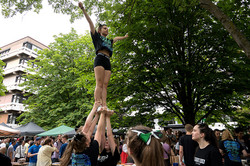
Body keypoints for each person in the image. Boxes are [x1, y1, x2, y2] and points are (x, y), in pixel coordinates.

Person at [79, 2, 128, 110]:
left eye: (107, 28)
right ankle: (97, 103)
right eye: (105, 28)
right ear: (100, 30)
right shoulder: (96, 36)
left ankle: (104, 105)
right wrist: (83, 9)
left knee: (105, 85)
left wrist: (124, 37)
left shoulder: (109, 41)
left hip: (107, 61)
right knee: (99, 83)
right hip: (100, 58)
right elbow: (90, 22)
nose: (107, 29)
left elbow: (116, 38)